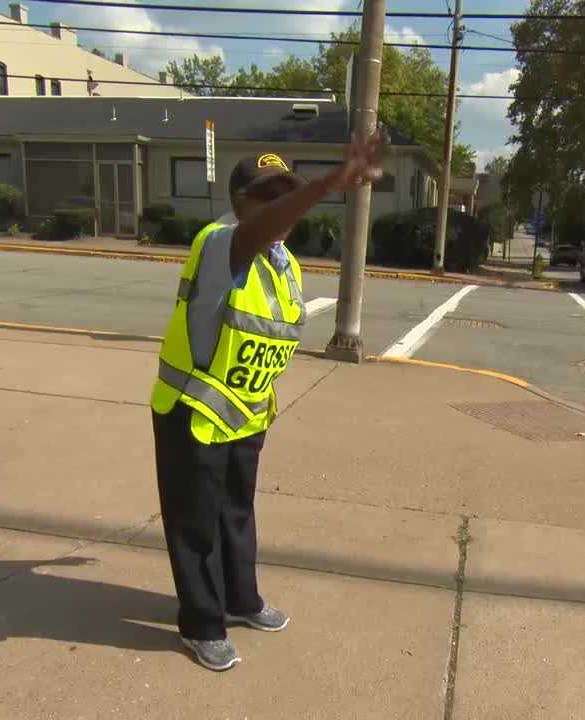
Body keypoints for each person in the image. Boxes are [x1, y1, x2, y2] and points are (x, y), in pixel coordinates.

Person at [150, 130, 387, 671]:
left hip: (246, 415)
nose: (285, 206)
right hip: (194, 412)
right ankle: (201, 623)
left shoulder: (286, 266)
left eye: (289, 192)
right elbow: (253, 236)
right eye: (271, 195)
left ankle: (241, 600)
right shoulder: (220, 245)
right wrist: (330, 182)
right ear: (243, 204)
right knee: (196, 524)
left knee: (236, 513)